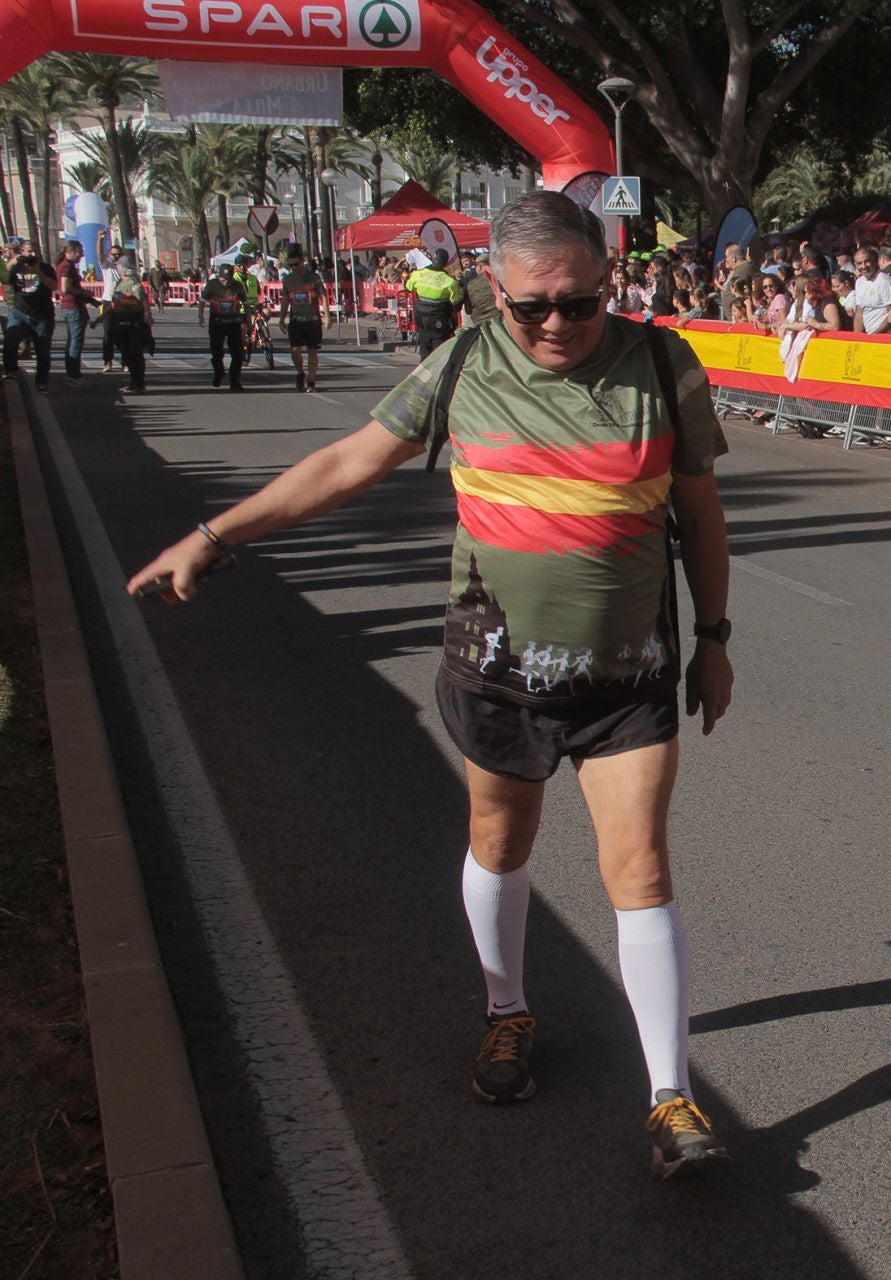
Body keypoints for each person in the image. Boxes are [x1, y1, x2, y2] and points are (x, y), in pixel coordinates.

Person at [126, 191, 736, 1178]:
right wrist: (214, 536)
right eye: (531, 306)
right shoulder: (459, 365)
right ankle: (507, 1008)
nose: (555, 325)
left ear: (607, 284)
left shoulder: (660, 365)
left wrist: (713, 636)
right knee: (500, 840)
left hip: (629, 675)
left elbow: (702, 514)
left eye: (577, 304)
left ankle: (670, 1094)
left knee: (644, 865)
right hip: (496, 669)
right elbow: (344, 463)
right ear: (493, 288)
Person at [4, 243, 56, 391]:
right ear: (22, 252)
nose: (32, 255)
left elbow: (54, 287)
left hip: (42, 315)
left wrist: (39, 272)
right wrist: (13, 261)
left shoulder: (46, 268)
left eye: (35, 251)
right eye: (29, 252)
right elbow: (3, 276)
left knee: (43, 351)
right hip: (19, 312)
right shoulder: (17, 267)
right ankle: (11, 371)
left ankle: (41, 381)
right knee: (10, 341)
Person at [279, 245, 331, 393]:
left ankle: (311, 381)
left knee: (312, 351)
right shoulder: (288, 280)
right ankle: (300, 373)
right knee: (295, 350)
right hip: (296, 320)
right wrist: (282, 319)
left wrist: (327, 317)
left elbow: (323, 297)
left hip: (312, 320)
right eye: (291, 265)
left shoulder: (313, 278)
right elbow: (284, 300)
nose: (294, 267)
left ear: (303, 262)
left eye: (296, 264)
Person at [103, 253, 153, 392]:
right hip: (122, 322)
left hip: (133, 322)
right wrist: (100, 318)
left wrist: (147, 314)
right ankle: (134, 382)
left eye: (119, 265)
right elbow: (115, 304)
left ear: (124, 268)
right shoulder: (120, 282)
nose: (117, 268)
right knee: (127, 353)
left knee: (134, 353)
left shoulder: (132, 283)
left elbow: (142, 299)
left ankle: (138, 383)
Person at [198, 262, 250, 390]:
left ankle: (235, 380)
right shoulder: (212, 285)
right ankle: (218, 372)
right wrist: (201, 315)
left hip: (233, 323)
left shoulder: (238, 286)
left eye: (228, 279)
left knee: (237, 353)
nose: (225, 282)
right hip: (217, 322)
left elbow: (246, 303)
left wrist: (248, 318)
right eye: (222, 279)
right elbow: (203, 301)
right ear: (218, 276)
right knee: (216, 351)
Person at [406, 249, 463, 356]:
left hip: (421, 320)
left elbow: (408, 287)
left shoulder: (418, 274)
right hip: (440, 322)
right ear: (445, 263)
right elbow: (456, 304)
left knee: (424, 349)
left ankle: (424, 368)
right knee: (439, 352)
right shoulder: (450, 282)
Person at [55, 240, 95, 385]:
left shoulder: (63, 265)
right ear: (70, 252)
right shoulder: (66, 266)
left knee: (72, 341)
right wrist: (84, 292)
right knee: (75, 342)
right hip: (73, 306)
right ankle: (74, 375)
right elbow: (66, 288)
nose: (82, 255)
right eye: (79, 252)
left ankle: (72, 374)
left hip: (68, 307)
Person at [847, 246, 891, 334]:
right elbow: (859, 313)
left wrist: (876, 335)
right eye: (859, 263)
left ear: (875, 262)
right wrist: (857, 337)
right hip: (869, 336)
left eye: (866, 261)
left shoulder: (883, 281)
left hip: (885, 336)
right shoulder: (859, 282)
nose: (863, 266)